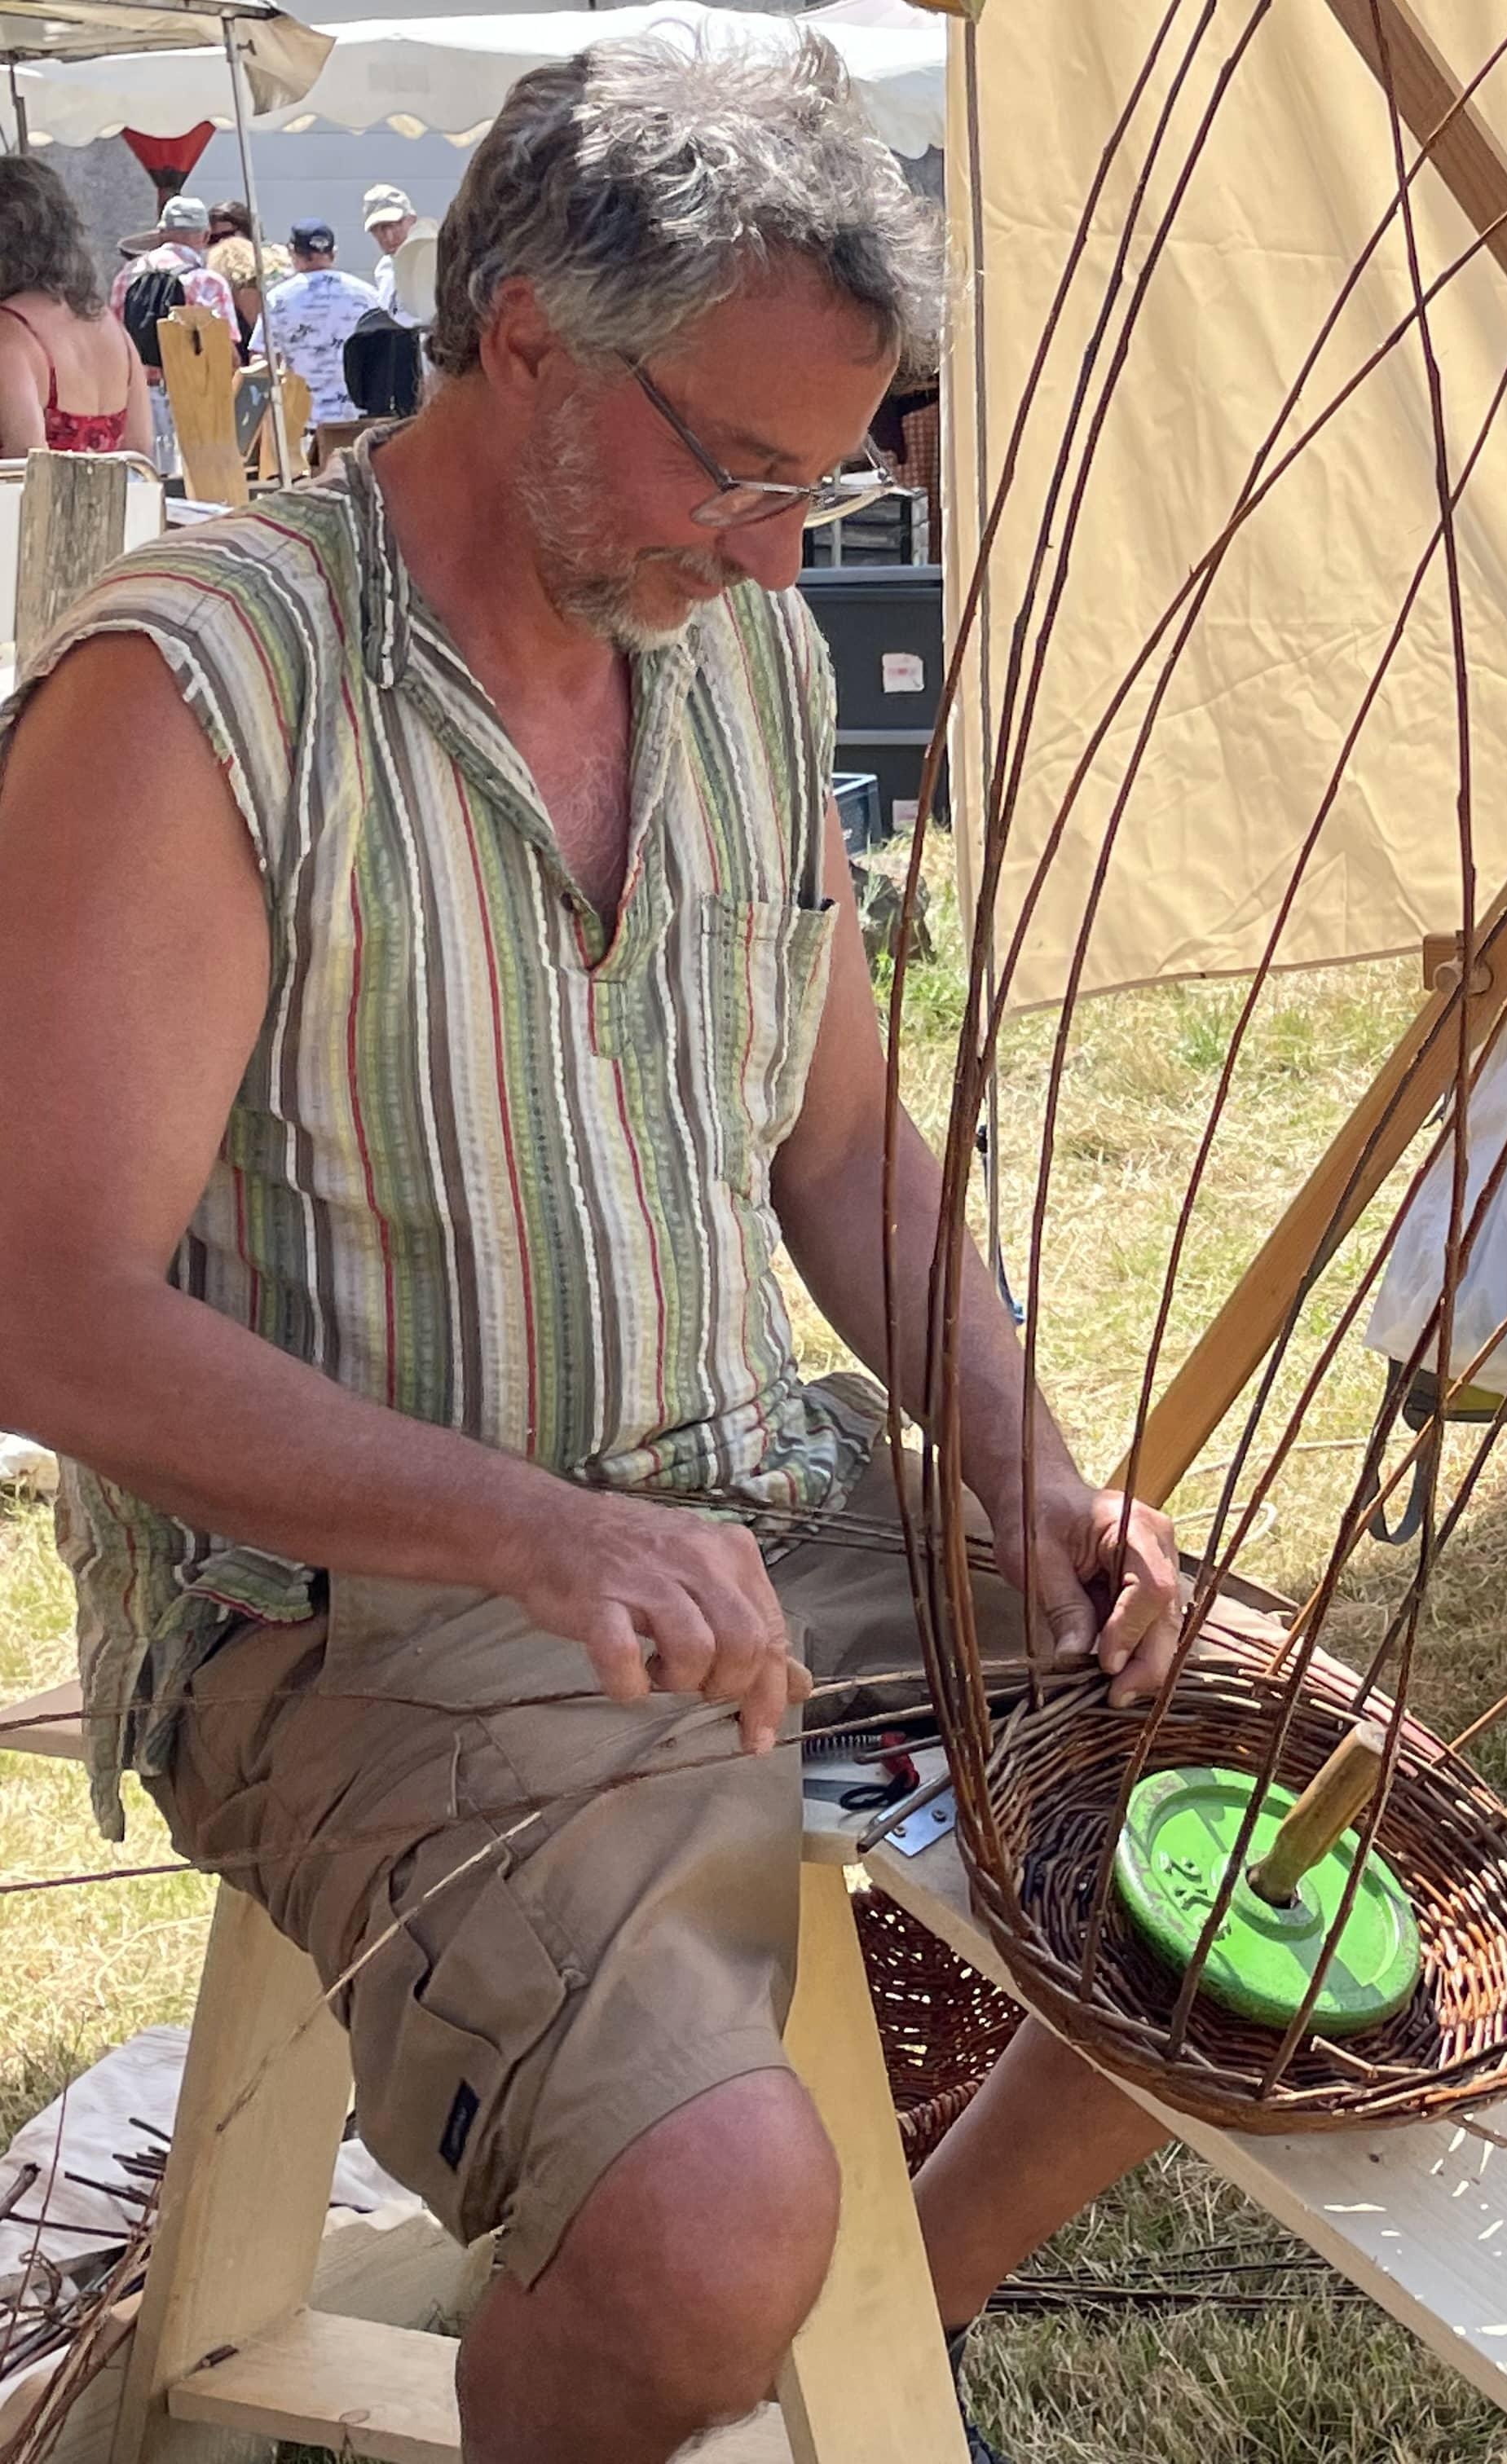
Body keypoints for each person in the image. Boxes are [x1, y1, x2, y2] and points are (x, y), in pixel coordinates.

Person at [0, 40, 1183, 2464]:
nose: (780, 550)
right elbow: (41, 1302)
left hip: (736, 1495)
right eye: (744, 469)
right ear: (523, 334)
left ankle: (830, 2350)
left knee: (1271, 1840)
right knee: (703, 2222)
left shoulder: (735, 656)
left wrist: (1036, 1477)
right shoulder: (204, 690)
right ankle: (721, 2322)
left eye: (823, 483)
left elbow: (841, 1143)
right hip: (349, 1604)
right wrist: (532, 1528)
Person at [0, 157, 141, 456]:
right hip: (112, 502)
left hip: (33, 502)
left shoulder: (9, 331)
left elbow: (23, 463)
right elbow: (139, 452)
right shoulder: (112, 327)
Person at [108, 194, 238, 474]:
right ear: (204, 236)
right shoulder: (208, 282)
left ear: (162, 232)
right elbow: (225, 353)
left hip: (138, 400)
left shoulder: (126, 276)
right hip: (192, 398)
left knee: (144, 480)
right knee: (191, 487)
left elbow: (115, 344)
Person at [260, 218, 382, 453]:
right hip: (357, 418)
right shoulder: (367, 295)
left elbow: (263, 360)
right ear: (333, 254)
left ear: (293, 252)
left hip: (302, 422)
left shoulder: (278, 299)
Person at [361, 178, 432, 309]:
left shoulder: (436, 259)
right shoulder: (384, 270)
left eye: (395, 225)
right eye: (379, 229)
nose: (389, 236)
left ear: (412, 220)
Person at [204, 198, 265, 342]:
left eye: (227, 236)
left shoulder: (267, 265)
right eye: (212, 239)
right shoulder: (206, 275)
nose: (221, 244)